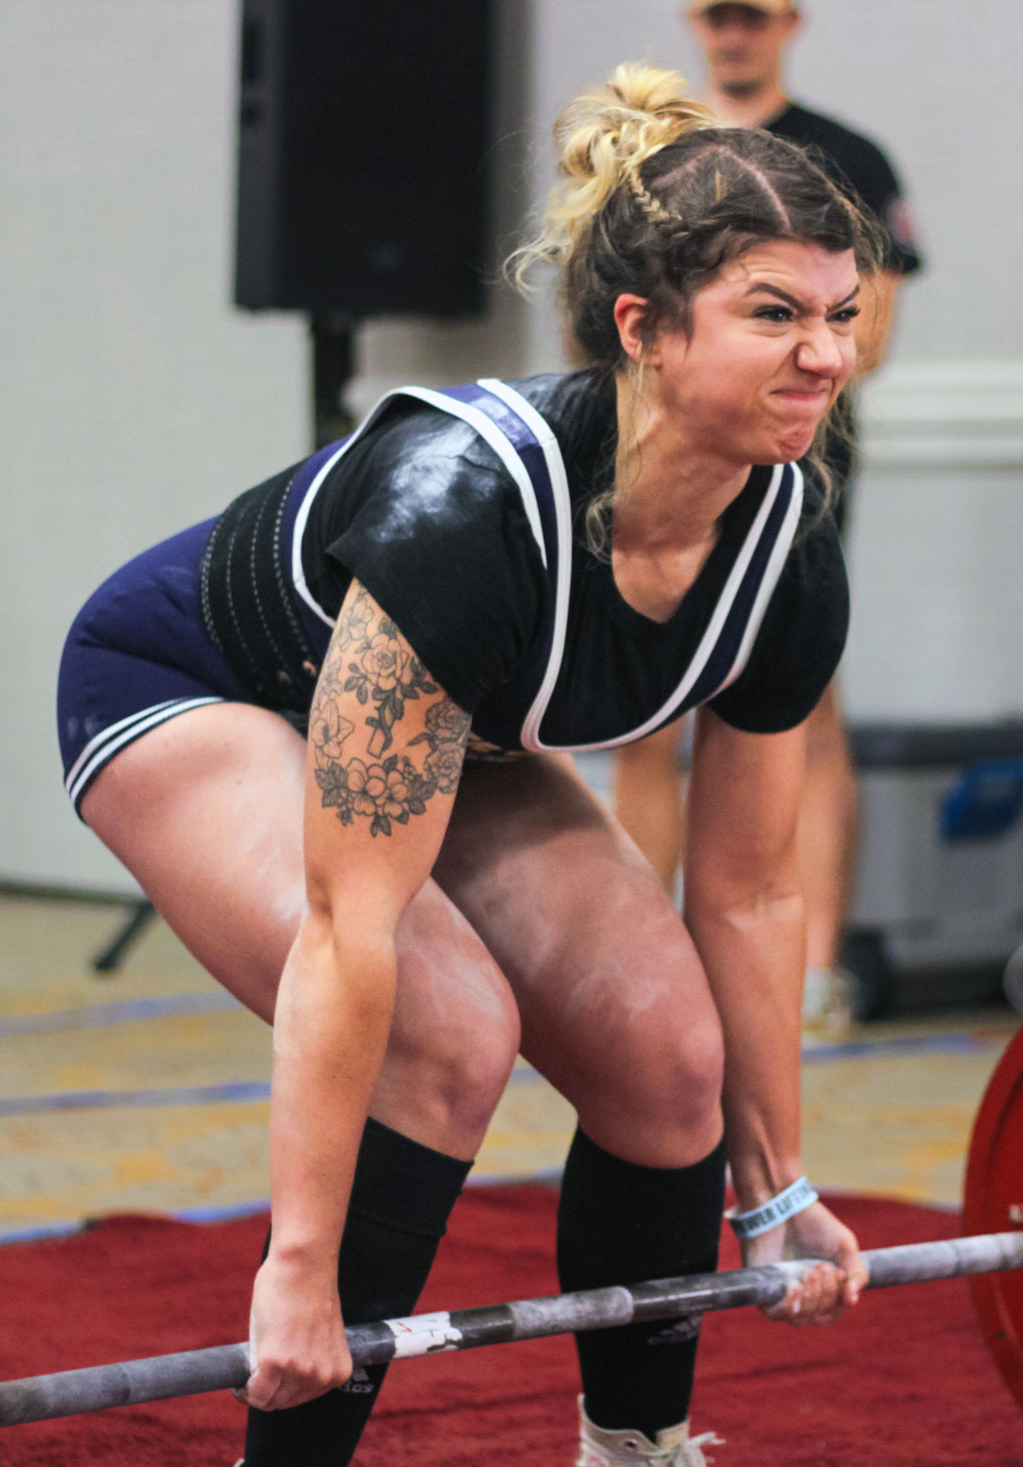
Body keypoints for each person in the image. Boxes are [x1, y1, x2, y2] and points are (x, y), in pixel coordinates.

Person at [54, 64, 885, 1467]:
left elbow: (745, 894)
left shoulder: (787, 546)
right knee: (444, 1026)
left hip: (457, 725)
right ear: (645, 328)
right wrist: (300, 1269)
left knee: (671, 1059)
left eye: (841, 315)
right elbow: (347, 922)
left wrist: (776, 1183)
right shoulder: (471, 508)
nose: (823, 356)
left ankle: (635, 1446)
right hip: (194, 687)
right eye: (774, 315)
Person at [613, 0, 923, 1033]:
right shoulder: (663, 160)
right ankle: (630, 965)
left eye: (753, 15)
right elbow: (617, 328)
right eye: (718, 15)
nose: (734, 34)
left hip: (802, 472)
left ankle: (813, 973)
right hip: (663, 464)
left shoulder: (848, 158)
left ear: (789, 20)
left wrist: (758, 352)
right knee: (643, 717)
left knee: (800, 708)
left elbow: (863, 336)